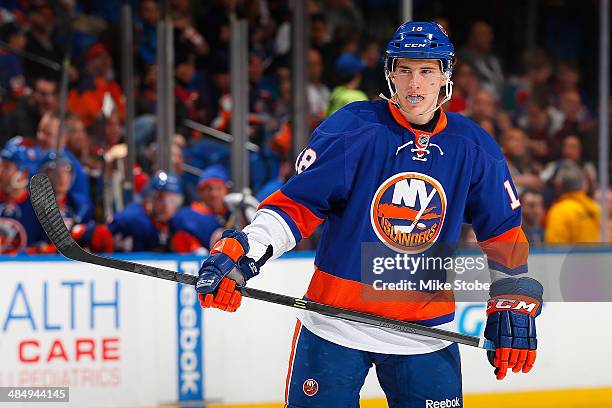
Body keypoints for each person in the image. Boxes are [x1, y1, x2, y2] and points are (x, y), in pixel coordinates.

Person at [195, 22, 543, 406]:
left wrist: (511, 294)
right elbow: (298, 206)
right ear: (390, 73)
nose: (415, 85)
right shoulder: (353, 128)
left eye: (427, 71)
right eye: (405, 70)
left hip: (425, 334)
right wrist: (246, 250)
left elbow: (503, 234)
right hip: (334, 325)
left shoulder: (474, 147)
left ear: (445, 75)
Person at [545, 160, 600, 244]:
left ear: (558, 186)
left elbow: (554, 251)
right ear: (583, 185)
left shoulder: (559, 211)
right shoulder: (596, 208)